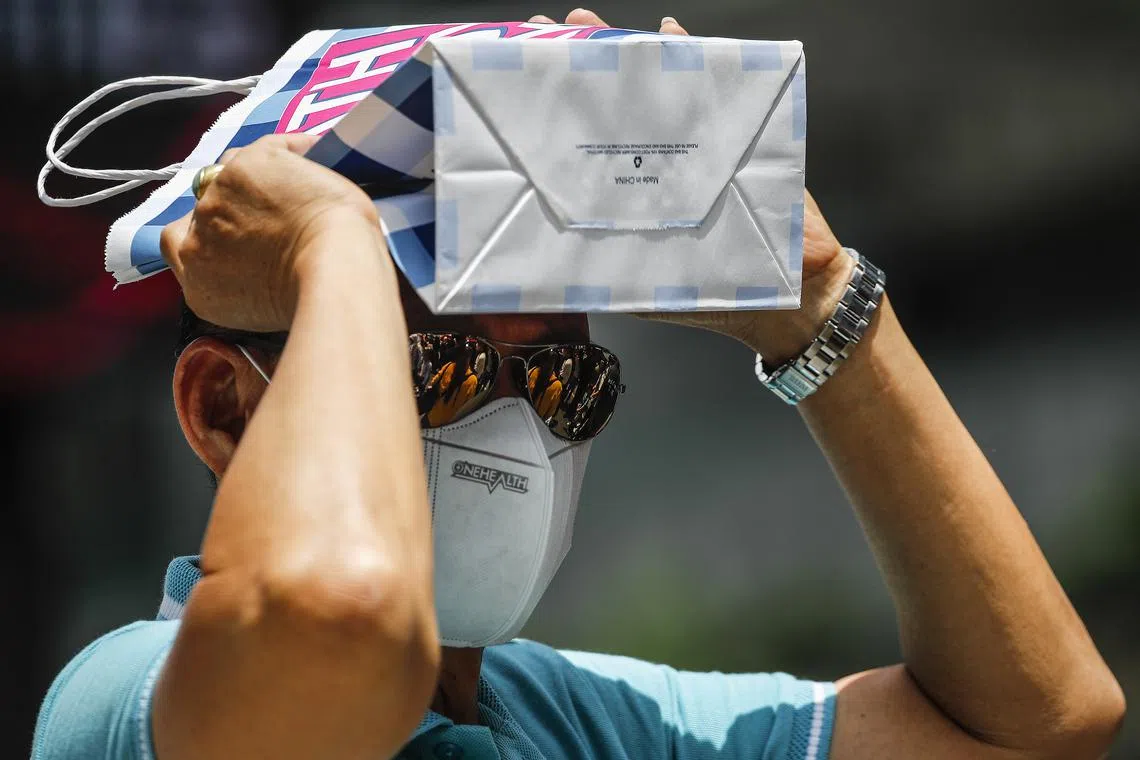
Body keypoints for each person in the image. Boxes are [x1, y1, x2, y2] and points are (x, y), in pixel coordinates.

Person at [31, 10, 1124, 760]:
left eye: (563, 378)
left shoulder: (560, 715)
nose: (516, 424)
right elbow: (337, 620)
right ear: (224, 407)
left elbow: (1040, 722)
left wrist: (818, 300)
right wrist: (332, 242)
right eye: (439, 366)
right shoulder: (132, 694)